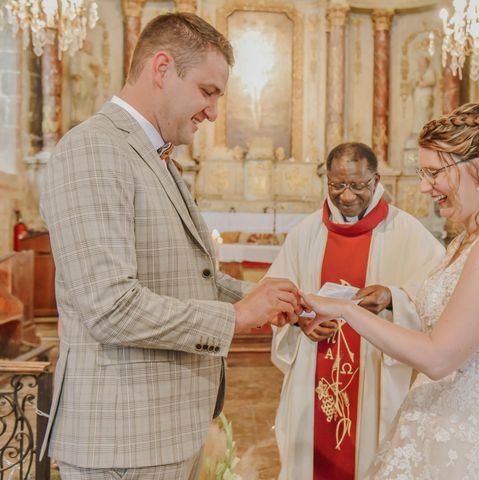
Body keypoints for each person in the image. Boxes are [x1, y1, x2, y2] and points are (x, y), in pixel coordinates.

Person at [39, 13, 299, 479]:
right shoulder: (94, 149)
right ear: (162, 68)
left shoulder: (155, 157)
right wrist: (237, 317)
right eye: (207, 91)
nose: (214, 112)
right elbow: (110, 305)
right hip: (123, 442)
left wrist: (266, 299)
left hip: (165, 429)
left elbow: (183, 277)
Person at [300, 101, 479, 479]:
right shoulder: (469, 240)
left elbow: (438, 357)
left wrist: (345, 310)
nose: (424, 186)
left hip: (476, 433)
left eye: (434, 173)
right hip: (441, 419)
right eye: (423, 172)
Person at [268, 142, 444, 479]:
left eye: (357, 185)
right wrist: (300, 321)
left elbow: (440, 291)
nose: (346, 196)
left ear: (376, 180)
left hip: (375, 372)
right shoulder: (305, 234)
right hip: (314, 373)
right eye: (337, 185)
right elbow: (276, 294)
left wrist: (393, 297)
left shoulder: (406, 231)